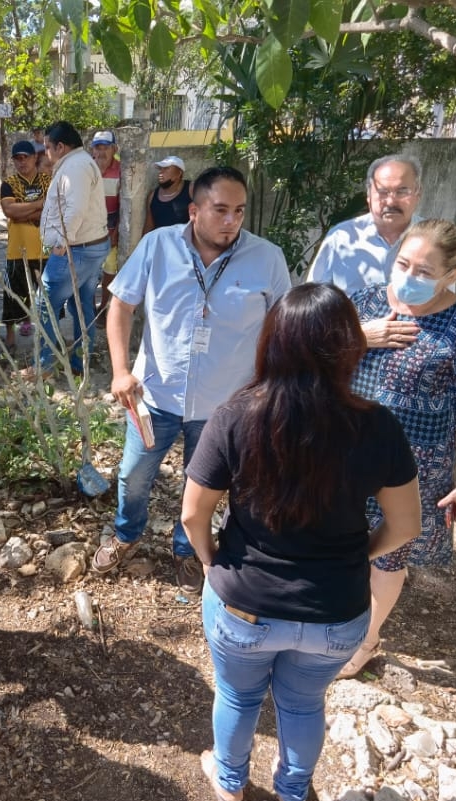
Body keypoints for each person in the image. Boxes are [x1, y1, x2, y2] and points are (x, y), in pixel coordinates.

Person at [180, 282, 421, 801]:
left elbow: (194, 514)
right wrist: (360, 555)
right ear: (350, 348)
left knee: (238, 698)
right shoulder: (377, 425)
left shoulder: (236, 415)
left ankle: (233, 790)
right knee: (304, 704)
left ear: (272, 343)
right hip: (336, 612)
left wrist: (210, 561)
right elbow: (406, 524)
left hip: (244, 604)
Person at [92, 167, 292, 594]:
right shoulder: (157, 246)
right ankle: (127, 535)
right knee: (133, 475)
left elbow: (281, 327)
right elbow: (121, 305)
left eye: (238, 211)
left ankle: (187, 550)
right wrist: (121, 371)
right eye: (220, 210)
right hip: (154, 396)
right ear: (194, 210)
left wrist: (269, 388)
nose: (230, 221)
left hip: (225, 405)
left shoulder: (267, 258)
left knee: (203, 485)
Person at [339, 218, 456, 678]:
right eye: (403, 264)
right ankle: (330, 618)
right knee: (339, 538)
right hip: (346, 450)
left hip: (414, 463)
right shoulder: (367, 301)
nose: (408, 277)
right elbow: (320, 356)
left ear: (455, 273)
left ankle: (365, 642)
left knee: (389, 554)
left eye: (424, 271)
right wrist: (358, 335)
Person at [307, 155, 427, 352]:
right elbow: (312, 309)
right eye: (382, 192)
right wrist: (358, 336)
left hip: (414, 363)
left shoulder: (435, 241)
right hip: (348, 361)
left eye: (402, 191)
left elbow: (447, 308)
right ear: (369, 196)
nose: (391, 200)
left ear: (417, 194)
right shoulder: (341, 238)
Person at [35, 120, 109, 375]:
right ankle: (81, 362)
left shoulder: (75, 167)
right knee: (81, 305)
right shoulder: (78, 163)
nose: (45, 153)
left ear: (60, 146)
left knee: (44, 302)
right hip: (87, 246)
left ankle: (44, 364)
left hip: (76, 248)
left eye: (47, 147)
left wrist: (61, 244)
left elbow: (75, 209)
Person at [0, 140, 51, 354]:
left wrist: (24, 210)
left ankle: (48, 338)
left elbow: (54, 209)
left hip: (45, 250)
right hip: (17, 251)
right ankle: (11, 339)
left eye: (25, 157)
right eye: (17, 158)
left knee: (48, 300)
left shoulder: (48, 180)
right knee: (13, 296)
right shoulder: (9, 183)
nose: (22, 162)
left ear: (34, 157)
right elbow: (10, 211)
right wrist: (39, 204)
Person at [90, 130, 122, 305]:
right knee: (89, 275)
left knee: (109, 272)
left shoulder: (122, 170)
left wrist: (116, 231)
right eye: (98, 148)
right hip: (89, 232)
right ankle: (89, 310)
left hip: (110, 231)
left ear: (114, 149)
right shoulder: (87, 168)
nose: (101, 152)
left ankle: (103, 308)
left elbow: (124, 207)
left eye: (106, 148)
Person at [144, 156, 192, 233]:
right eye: (161, 169)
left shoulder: (191, 189)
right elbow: (149, 227)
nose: (161, 173)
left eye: (166, 169)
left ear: (179, 173)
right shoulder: (152, 196)